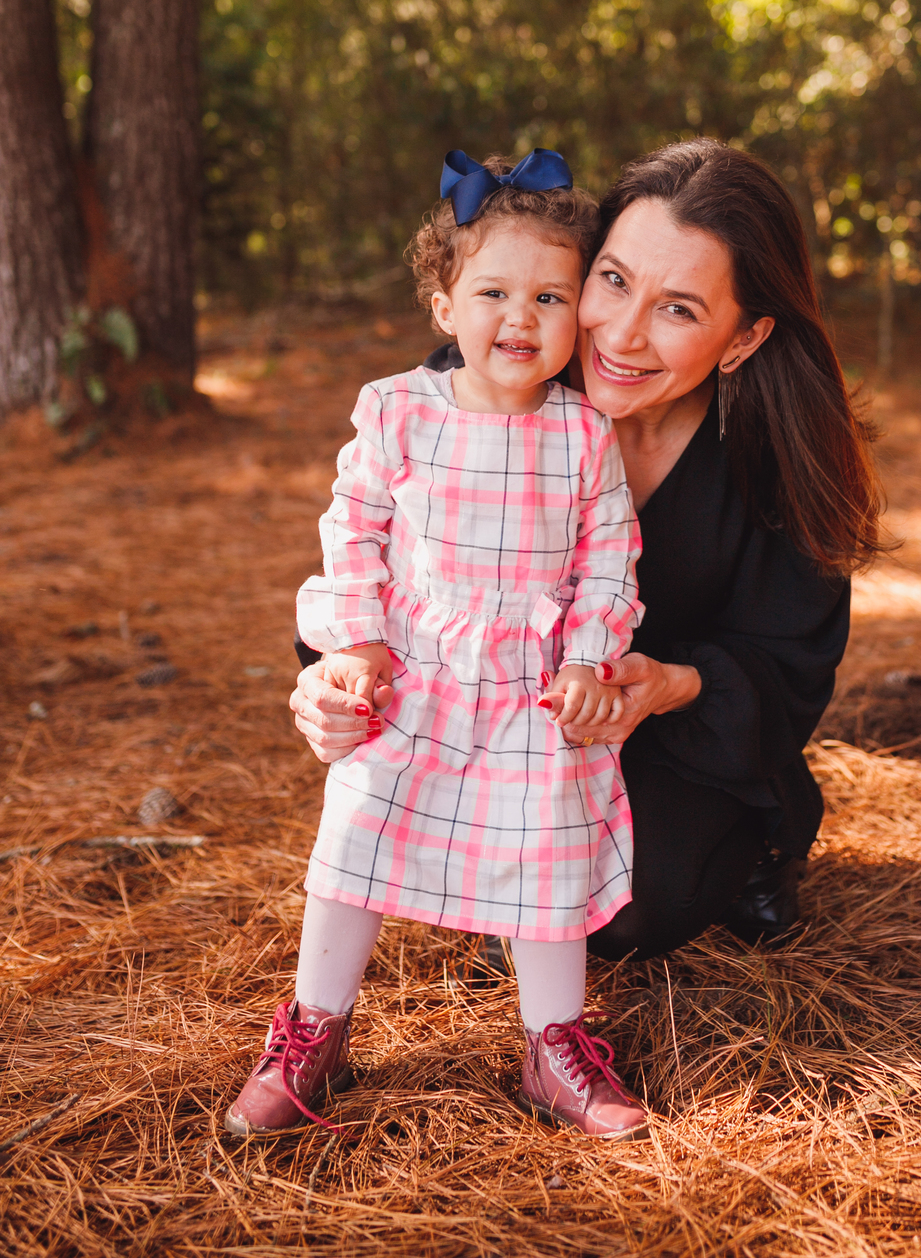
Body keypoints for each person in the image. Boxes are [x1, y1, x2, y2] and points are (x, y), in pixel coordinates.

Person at [291, 141, 883, 980]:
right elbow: (368, 549)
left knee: (624, 907)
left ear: (744, 337)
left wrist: (672, 684)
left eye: (678, 310)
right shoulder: (474, 388)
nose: (622, 333)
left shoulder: (777, 459)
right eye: (611, 281)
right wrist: (328, 674)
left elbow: (792, 663)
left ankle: (756, 853)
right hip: (493, 715)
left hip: (673, 742)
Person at [226, 149, 652, 1143]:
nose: (521, 316)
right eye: (494, 291)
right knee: (353, 850)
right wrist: (355, 644)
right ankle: (313, 1030)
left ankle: (554, 1044)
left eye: (551, 295)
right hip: (414, 685)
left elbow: (608, 559)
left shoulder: (583, 434)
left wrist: (588, 660)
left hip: (531, 692)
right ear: (442, 305)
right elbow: (356, 528)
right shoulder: (397, 411)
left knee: (546, 862)